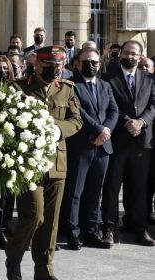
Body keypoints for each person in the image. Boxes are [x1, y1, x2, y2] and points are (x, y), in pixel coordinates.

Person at [5, 46, 82, 280]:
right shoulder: (18, 87)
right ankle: (14, 258)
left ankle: (44, 269)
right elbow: (6, 120)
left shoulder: (66, 89)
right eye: (49, 66)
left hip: (57, 163)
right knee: (34, 216)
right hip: (27, 163)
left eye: (59, 66)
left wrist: (58, 130)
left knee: (50, 221)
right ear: (36, 64)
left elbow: (76, 120)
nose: (55, 70)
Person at [61, 48, 119, 251]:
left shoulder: (105, 85)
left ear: (100, 64)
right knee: (75, 192)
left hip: (103, 147)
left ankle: (91, 232)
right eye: (86, 61)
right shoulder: (72, 86)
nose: (91, 65)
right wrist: (98, 129)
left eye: (94, 62)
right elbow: (78, 111)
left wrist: (107, 131)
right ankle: (72, 233)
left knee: (95, 193)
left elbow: (114, 110)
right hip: (81, 146)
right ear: (77, 63)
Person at [101, 40, 155, 247]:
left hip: (142, 142)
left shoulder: (149, 78)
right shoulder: (108, 78)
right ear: (121, 54)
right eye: (126, 52)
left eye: (134, 53)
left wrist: (141, 122)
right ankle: (108, 228)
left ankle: (139, 228)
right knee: (112, 187)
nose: (130, 56)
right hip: (117, 141)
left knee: (139, 188)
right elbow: (108, 106)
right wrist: (127, 122)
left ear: (140, 56)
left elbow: (153, 105)